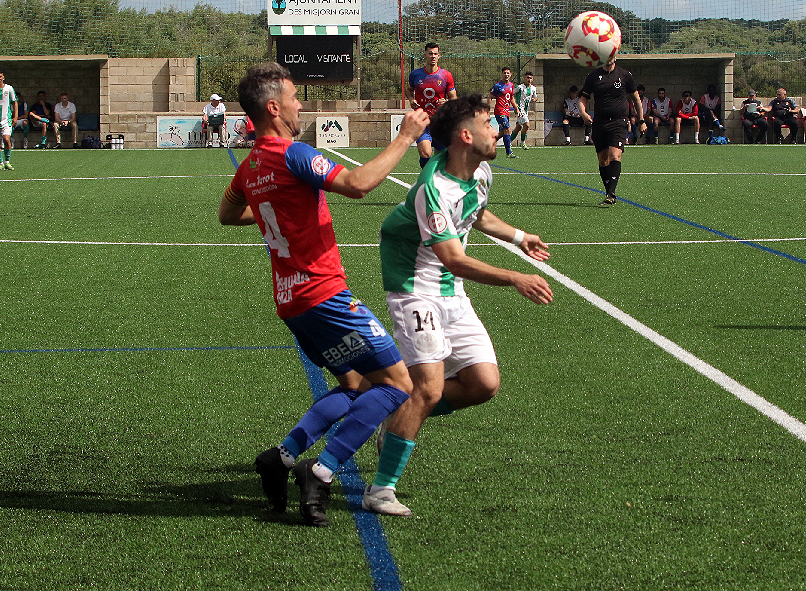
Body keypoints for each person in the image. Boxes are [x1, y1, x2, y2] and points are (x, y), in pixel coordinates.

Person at [218, 62, 429, 527]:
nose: (300, 105)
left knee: (355, 385)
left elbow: (227, 215)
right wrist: (405, 136)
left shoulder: (250, 166)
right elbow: (357, 185)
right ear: (274, 108)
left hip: (291, 301)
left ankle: (281, 456)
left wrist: (280, 210)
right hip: (325, 294)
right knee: (398, 385)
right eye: (294, 98)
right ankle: (322, 470)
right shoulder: (293, 153)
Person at [366, 94, 554, 516]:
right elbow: (453, 258)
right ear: (465, 136)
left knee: (483, 383)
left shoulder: (481, 171)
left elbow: (477, 214)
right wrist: (515, 276)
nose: (497, 130)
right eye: (488, 124)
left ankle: (397, 418)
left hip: (452, 291)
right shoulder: (432, 189)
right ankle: (380, 490)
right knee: (429, 388)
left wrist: (520, 237)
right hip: (415, 289)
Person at [578, 53, 643, 206]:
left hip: (619, 122)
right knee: (603, 160)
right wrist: (583, 113)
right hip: (600, 123)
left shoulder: (624, 75)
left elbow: (636, 99)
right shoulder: (593, 76)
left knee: (615, 155)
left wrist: (641, 121)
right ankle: (609, 192)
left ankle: (611, 193)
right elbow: (582, 99)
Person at [409, 42, 457, 167]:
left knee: (443, 159)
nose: (433, 56)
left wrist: (446, 102)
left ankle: (436, 176)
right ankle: (427, 176)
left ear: (439, 56)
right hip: (422, 121)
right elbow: (409, 90)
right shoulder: (415, 74)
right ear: (425, 55)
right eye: (430, 53)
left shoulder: (446, 75)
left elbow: (454, 99)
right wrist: (411, 99)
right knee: (425, 153)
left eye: (435, 54)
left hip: (440, 123)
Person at [490, 67, 518, 158]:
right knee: (507, 129)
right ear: (502, 74)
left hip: (506, 111)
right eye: (505, 73)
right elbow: (490, 97)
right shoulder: (497, 86)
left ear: (511, 74)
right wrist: (487, 109)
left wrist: (516, 108)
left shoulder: (511, 85)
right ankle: (509, 153)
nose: (506, 74)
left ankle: (490, 143)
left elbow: (511, 98)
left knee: (502, 132)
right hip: (500, 111)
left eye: (508, 73)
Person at [510, 71, 537, 149]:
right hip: (519, 109)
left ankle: (508, 142)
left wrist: (534, 99)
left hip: (526, 110)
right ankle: (522, 142)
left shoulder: (533, 88)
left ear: (532, 79)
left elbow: (535, 97)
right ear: (524, 78)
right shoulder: (520, 87)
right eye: (527, 77)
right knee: (527, 124)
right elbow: (511, 94)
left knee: (518, 127)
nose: (529, 79)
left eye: (530, 78)